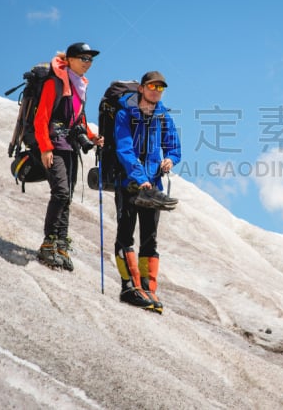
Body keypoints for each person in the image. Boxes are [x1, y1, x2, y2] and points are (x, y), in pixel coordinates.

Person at [114, 70, 181, 312]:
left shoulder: (163, 117)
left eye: (161, 88)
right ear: (141, 88)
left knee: (150, 239)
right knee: (126, 235)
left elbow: (173, 147)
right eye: (152, 86)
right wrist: (141, 179)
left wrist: (170, 160)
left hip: (153, 187)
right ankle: (129, 287)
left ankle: (148, 289)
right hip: (129, 184)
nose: (156, 91)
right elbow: (124, 150)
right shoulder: (124, 114)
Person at [34, 42, 104, 270]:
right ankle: (48, 245)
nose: (88, 63)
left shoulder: (79, 86)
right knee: (61, 192)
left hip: (71, 145)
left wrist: (92, 136)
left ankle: (62, 246)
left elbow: (78, 118)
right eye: (84, 58)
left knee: (68, 196)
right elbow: (41, 117)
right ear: (70, 59)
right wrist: (45, 147)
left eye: (90, 59)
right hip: (54, 145)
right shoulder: (55, 82)